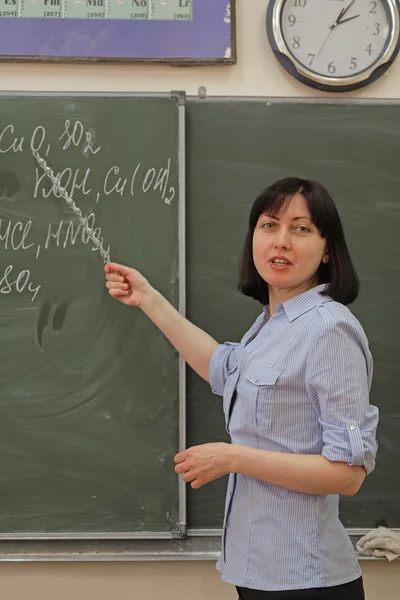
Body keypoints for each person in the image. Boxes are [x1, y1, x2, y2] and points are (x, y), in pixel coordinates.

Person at [105, 177, 378, 600]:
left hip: (306, 579)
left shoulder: (329, 329)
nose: (281, 241)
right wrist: (149, 300)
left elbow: (347, 475)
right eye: (269, 225)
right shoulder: (271, 325)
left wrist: (233, 457)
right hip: (256, 572)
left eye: (301, 228)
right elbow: (220, 367)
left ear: (327, 250)